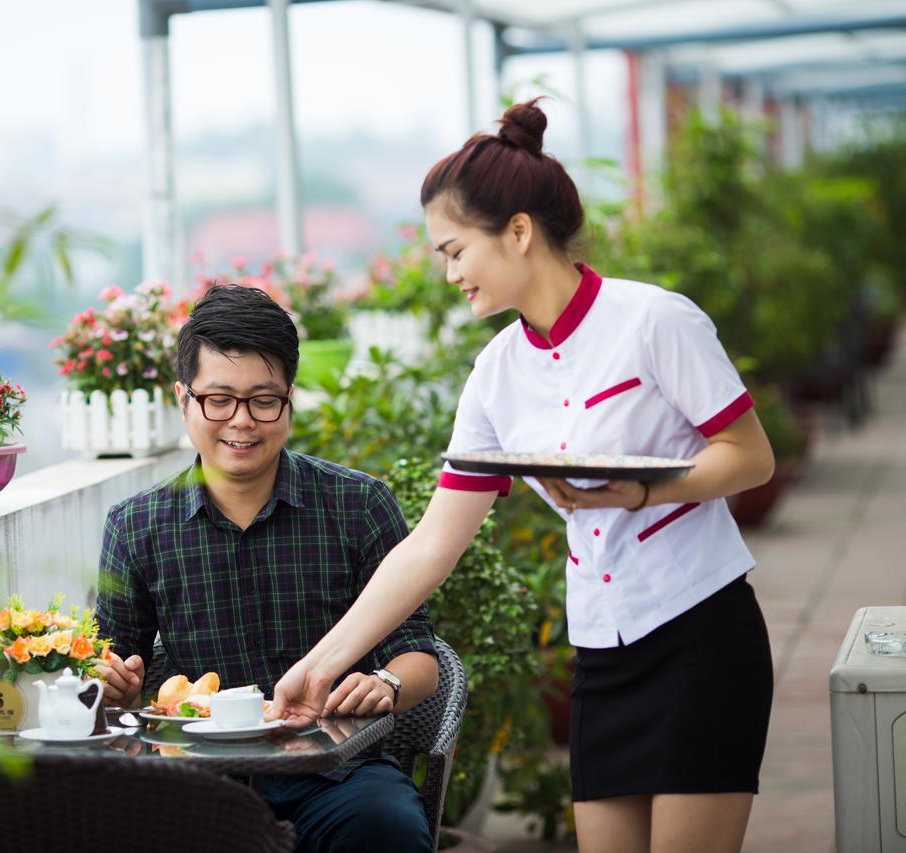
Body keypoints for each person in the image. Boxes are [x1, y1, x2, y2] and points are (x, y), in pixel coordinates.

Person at [268, 99, 776, 853]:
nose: (448, 274)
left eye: (453, 250)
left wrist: (640, 490)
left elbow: (751, 456)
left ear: (517, 230)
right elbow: (432, 544)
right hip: (602, 653)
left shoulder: (654, 321)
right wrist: (319, 663)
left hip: (700, 633)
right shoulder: (496, 373)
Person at [93, 283, 439, 853]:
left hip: (336, 773)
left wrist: (386, 682)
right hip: (197, 782)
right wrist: (111, 683)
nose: (242, 422)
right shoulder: (136, 525)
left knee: (388, 826)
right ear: (183, 398)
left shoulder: (359, 505)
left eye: (263, 400)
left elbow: (418, 654)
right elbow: (109, 672)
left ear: (289, 399)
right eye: (219, 399)